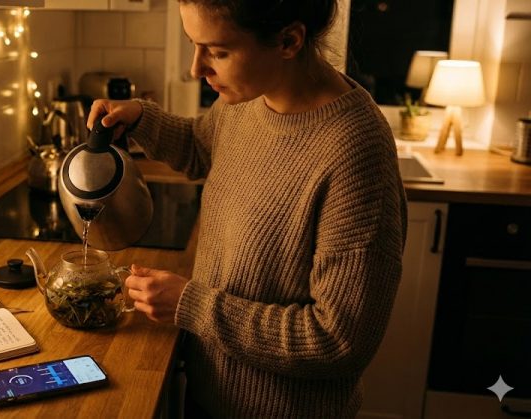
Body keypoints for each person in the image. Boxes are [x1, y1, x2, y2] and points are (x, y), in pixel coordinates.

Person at [87, 0, 407, 417]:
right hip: (210, 396)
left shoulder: (355, 154)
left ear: (289, 40)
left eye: (218, 51)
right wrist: (141, 119)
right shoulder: (248, 98)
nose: (196, 68)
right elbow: (204, 146)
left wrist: (192, 305)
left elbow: (336, 341)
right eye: (193, 45)